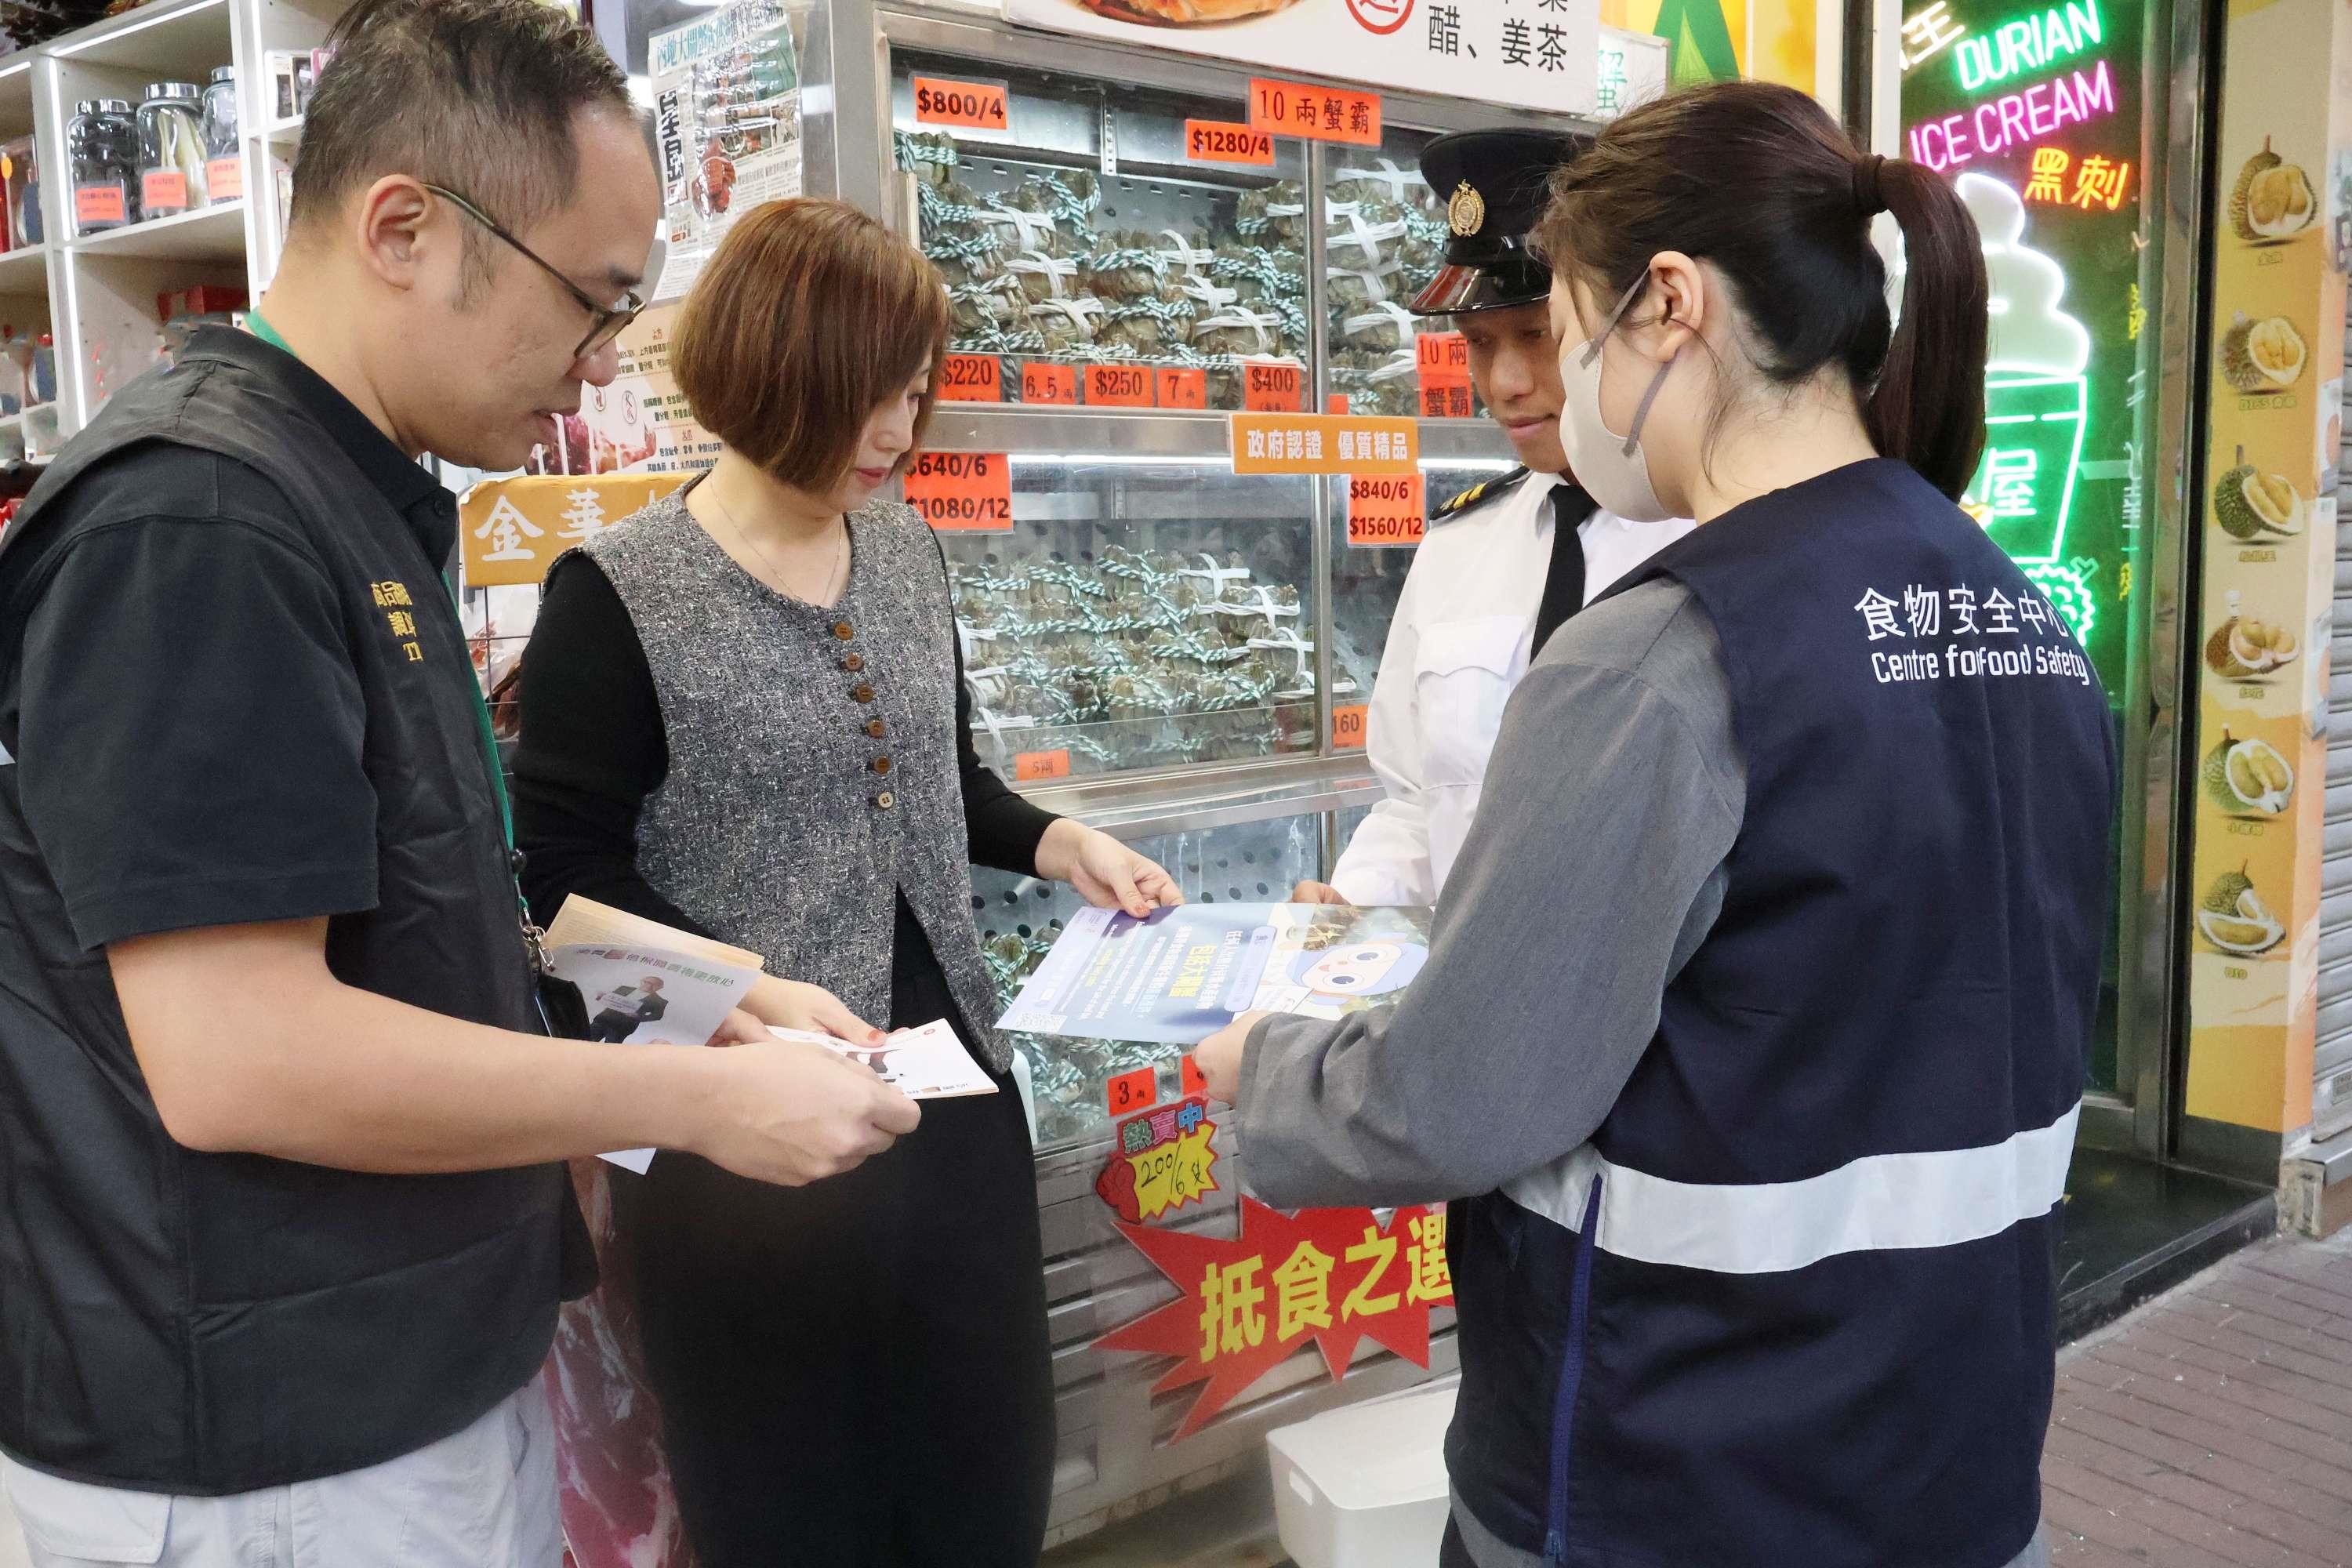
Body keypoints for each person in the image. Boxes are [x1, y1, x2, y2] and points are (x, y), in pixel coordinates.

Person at [0, 5, 919, 1565]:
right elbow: (240, 1053)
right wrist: (696, 1099)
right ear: (407, 228)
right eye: (593, 299)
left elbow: (417, 909)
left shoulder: (352, 496)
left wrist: (711, 990)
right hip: (267, 1446)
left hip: (392, 1379)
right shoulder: (201, 527)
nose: (605, 357)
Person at [1200, 81, 2111, 1568]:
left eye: (1560, 327)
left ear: (1667, 306)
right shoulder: (2017, 616)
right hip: (1949, 1461)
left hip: (1671, 1473)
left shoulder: (1664, 658)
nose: (1544, 381)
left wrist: (1264, 1074)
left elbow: (1459, 1100)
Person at [511, 196, 1183, 1568]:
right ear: (771, 373)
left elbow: (948, 782)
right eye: (867, 395)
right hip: (744, 1136)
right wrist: (754, 994)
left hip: (953, 1107)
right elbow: (563, 883)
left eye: (916, 393)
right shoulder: (617, 595)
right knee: (790, 1500)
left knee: (983, 1481)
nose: (896, 430)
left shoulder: (909, 552)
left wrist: (1061, 843)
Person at [1296, 129, 1693, 909]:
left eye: (1536, 337)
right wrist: (1355, 908)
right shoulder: (1462, 545)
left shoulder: (1708, 533)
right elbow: (1415, 798)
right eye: (1479, 343)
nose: (1506, 381)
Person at [589, 975, 667, 1041]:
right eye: (645, 982)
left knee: (609, 1050)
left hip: (622, 1027)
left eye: (651, 984)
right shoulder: (624, 988)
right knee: (586, 1042)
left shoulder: (659, 1001)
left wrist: (637, 1016)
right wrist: (602, 997)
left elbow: (657, 1016)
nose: (647, 985)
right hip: (602, 1020)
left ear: (659, 987)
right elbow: (610, 999)